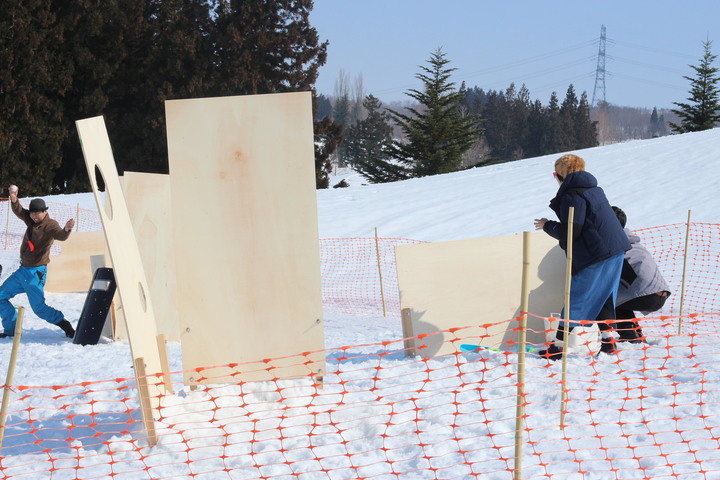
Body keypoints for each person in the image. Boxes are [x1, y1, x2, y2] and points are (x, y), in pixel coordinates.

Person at [534, 154, 631, 359]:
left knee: (576, 298)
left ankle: (558, 347)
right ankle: (608, 341)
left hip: (596, 253)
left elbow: (571, 230)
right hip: (615, 249)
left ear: (560, 175)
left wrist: (547, 226)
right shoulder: (595, 190)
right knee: (604, 295)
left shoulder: (572, 195)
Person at [0, 185, 76, 339]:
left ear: (45, 211)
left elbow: (60, 235)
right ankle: (11, 330)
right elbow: (20, 212)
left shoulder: (50, 225)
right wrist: (14, 199)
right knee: (0, 297)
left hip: (36, 273)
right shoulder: (31, 220)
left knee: (39, 309)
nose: (34, 216)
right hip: (22, 271)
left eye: (37, 213)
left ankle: (64, 324)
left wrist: (67, 229)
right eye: (33, 213)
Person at [612, 206, 671, 343]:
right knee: (621, 297)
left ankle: (629, 335)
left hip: (648, 295)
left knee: (607, 300)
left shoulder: (613, 243)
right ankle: (635, 332)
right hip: (660, 293)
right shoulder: (632, 241)